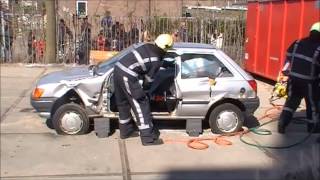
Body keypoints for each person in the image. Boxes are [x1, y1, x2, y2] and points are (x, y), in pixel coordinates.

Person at [113, 34, 174, 146]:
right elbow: (148, 80)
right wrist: (145, 92)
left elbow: (149, 59)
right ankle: (148, 138)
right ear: (164, 49)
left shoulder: (148, 47)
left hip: (118, 70)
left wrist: (166, 63)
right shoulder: (156, 60)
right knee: (141, 103)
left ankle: (125, 132)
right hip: (128, 75)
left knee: (123, 103)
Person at [278, 22, 320, 134]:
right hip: (309, 82)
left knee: (291, 103)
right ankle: (313, 128)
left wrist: (289, 70)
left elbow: (288, 57)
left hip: (294, 79)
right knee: (312, 105)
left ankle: (282, 122)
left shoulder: (297, 43)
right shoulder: (319, 48)